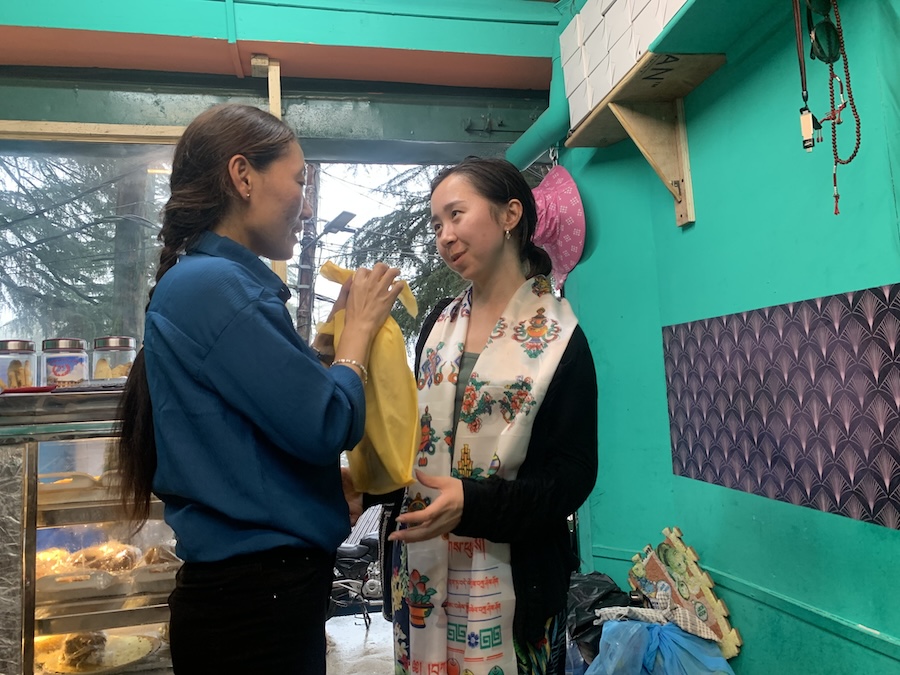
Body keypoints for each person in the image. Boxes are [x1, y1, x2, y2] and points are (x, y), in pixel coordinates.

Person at [115, 103, 403, 674]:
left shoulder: (203, 282)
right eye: (298, 179)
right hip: (255, 601)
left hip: (245, 598)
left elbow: (262, 413)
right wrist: (361, 334)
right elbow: (326, 424)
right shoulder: (218, 286)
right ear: (243, 176)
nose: (307, 200)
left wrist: (326, 343)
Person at [382, 157, 599, 675]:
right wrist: (371, 488)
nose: (445, 235)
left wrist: (473, 503)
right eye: (436, 224)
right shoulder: (438, 325)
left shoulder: (560, 339)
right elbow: (418, 442)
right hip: (424, 574)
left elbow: (572, 478)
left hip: (515, 583)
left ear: (510, 215)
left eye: (456, 215)